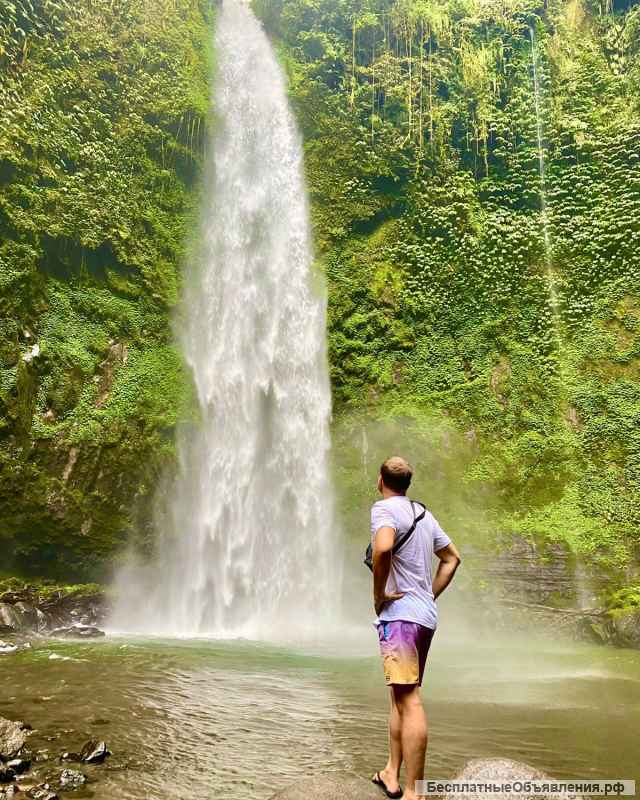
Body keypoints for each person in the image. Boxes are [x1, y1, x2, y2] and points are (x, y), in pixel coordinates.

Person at [370, 456, 461, 800]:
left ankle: (414, 791)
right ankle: (392, 773)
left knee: (409, 700)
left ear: (381, 480)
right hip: (422, 616)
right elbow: (453, 558)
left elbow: (382, 550)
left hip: (401, 616)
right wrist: (428, 595)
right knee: (399, 694)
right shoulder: (424, 515)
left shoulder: (384, 510)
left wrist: (379, 595)